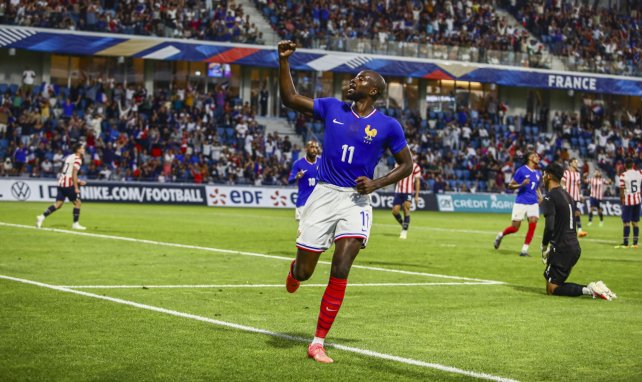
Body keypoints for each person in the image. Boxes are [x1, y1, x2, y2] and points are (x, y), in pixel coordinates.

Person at [278, 40, 412, 364]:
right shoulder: (331, 107)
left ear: (374, 91)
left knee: (341, 266)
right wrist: (283, 61)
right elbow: (290, 98)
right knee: (307, 272)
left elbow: (407, 164)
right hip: (323, 194)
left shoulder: (388, 126)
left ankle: (317, 342)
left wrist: (377, 183)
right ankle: (295, 272)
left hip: (356, 201)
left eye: (360, 78)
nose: (353, 81)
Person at [540, 162, 616, 300]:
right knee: (554, 283)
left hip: (562, 247)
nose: (543, 176)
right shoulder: (567, 195)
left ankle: (591, 289)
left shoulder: (550, 197)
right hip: (573, 245)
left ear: (550, 176)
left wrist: (544, 246)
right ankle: (594, 288)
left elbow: (549, 227)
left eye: (544, 174)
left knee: (552, 289)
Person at [494, 152, 542, 256]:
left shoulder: (538, 173)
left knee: (533, 222)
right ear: (529, 158)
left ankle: (524, 250)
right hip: (521, 201)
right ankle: (500, 235)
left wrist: (540, 197)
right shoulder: (521, 171)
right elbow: (510, 186)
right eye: (535, 155)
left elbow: (537, 187)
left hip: (533, 202)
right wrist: (521, 184)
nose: (538, 157)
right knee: (515, 228)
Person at [36, 143, 87, 230]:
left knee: (58, 204)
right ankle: (75, 224)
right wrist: (76, 187)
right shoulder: (78, 159)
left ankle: (42, 217)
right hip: (68, 184)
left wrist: (78, 181)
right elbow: (73, 174)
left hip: (61, 182)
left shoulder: (70, 156)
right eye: (82, 148)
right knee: (77, 203)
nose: (84, 150)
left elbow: (67, 171)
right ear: (78, 150)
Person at [288, 140, 320, 221]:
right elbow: (290, 180)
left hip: (319, 202)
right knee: (303, 231)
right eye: (312, 147)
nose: (315, 150)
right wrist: (297, 176)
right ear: (306, 149)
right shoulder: (298, 163)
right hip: (303, 202)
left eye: (316, 147)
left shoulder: (322, 162)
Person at [391, 159, 421, 239]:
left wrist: (417, 195)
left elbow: (417, 181)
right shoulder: (397, 164)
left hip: (408, 191)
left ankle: (404, 231)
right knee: (395, 211)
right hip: (398, 191)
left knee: (406, 208)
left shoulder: (415, 166)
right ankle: (404, 224)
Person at [615, 159, 642, 248]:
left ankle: (626, 243)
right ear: (633, 165)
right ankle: (635, 243)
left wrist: (621, 200)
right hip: (637, 200)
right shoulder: (639, 173)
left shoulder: (623, 175)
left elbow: (622, 189)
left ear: (625, 166)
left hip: (628, 201)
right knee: (635, 222)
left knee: (626, 222)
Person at [562, 158, 588, 237]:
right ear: (570, 163)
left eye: (577, 162)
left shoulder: (577, 174)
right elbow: (563, 181)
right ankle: (565, 230)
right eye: (574, 162)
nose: (576, 163)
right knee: (568, 213)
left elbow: (579, 185)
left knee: (576, 213)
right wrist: (563, 187)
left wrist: (580, 194)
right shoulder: (566, 172)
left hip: (575, 196)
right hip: (567, 196)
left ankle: (579, 231)